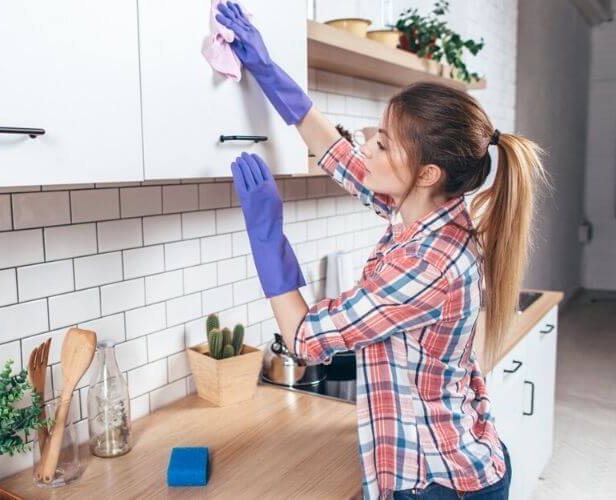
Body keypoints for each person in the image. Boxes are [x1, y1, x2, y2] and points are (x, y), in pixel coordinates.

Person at [216, 2, 549, 499]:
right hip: (452, 456)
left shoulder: (428, 264)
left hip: (437, 482)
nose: (367, 146)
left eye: (384, 144)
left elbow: (304, 338)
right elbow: (338, 153)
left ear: (427, 173)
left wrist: (266, 235)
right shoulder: (426, 211)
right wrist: (266, 68)